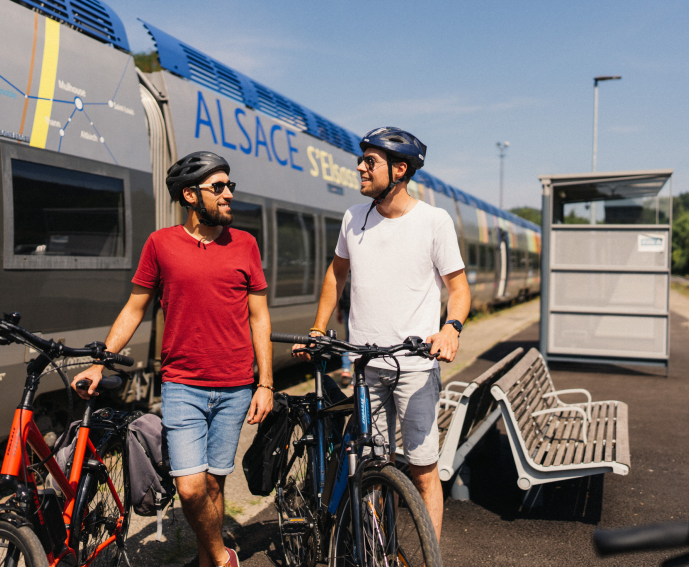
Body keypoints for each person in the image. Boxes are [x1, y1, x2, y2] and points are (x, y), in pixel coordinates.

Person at [73, 151, 274, 567]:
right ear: (190, 195)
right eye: (218, 187)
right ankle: (223, 557)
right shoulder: (160, 244)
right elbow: (134, 308)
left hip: (235, 387)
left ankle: (208, 562)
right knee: (190, 488)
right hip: (183, 385)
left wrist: (265, 383)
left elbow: (259, 317)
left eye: (229, 186)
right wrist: (101, 361)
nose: (228, 194)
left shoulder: (246, 245)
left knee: (215, 486)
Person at [294, 127, 471, 542]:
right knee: (372, 468)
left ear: (400, 169)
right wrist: (319, 329)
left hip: (415, 367)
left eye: (370, 161)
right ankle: (379, 551)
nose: (359, 167)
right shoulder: (354, 217)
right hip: (364, 368)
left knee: (423, 469)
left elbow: (459, 289)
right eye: (362, 160)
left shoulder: (434, 221)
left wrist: (451, 328)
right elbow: (336, 275)